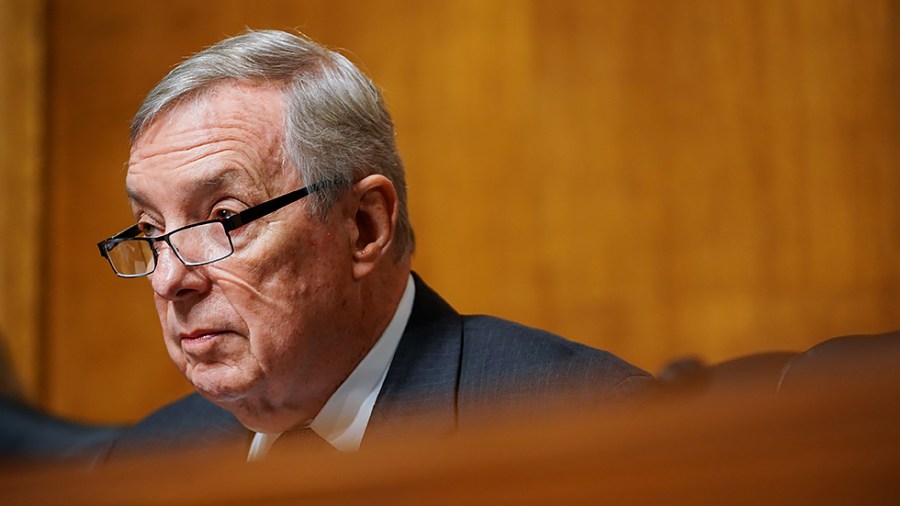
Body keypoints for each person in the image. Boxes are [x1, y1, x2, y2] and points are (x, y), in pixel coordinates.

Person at [96, 29, 653, 461]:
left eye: (224, 218)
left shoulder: (585, 425)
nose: (169, 279)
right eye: (150, 231)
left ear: (363, 227)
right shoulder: (147, 460)